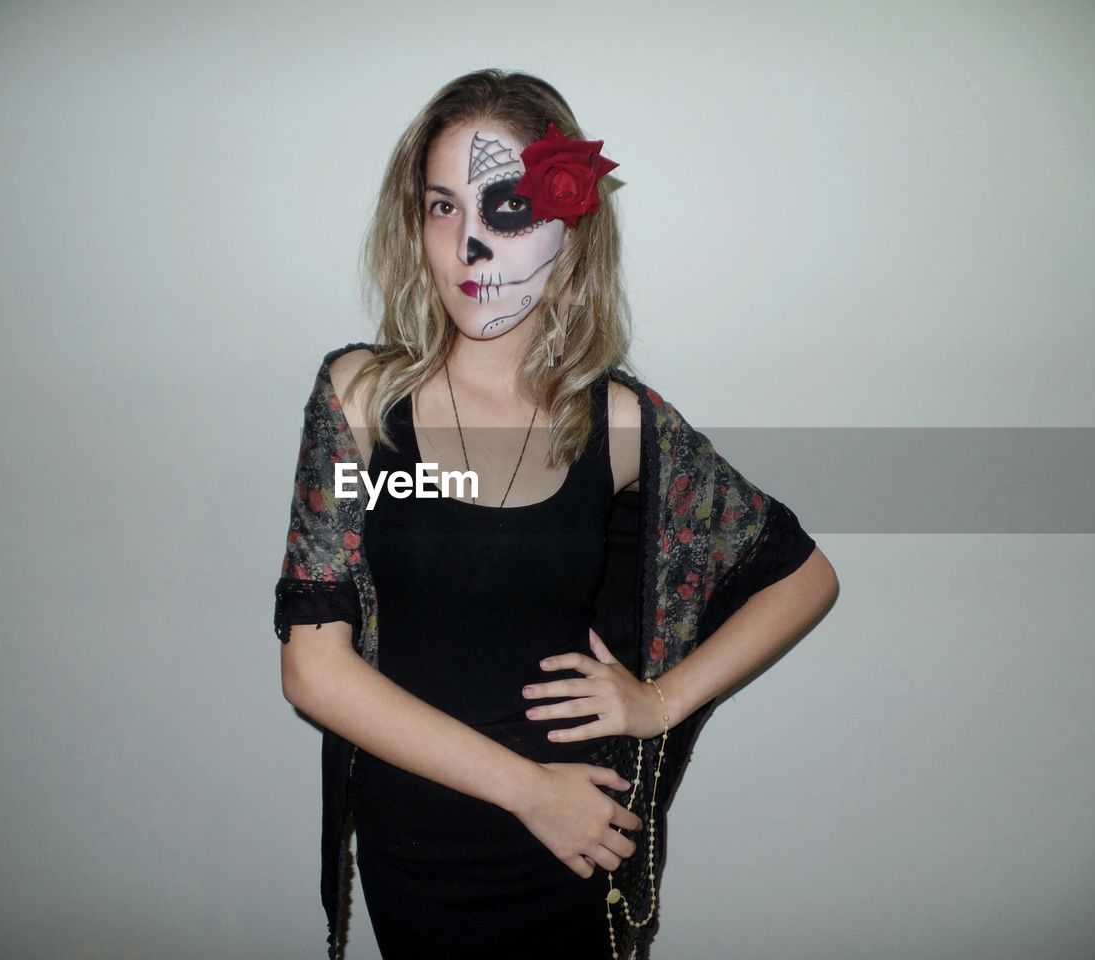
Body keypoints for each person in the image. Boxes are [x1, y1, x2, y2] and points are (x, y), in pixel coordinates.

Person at [276, 69, 839, 960]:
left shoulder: (620, 424)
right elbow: (314, 671)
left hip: (573, 842)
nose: (469, 246)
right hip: (419, 843)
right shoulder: (358, 399)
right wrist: (525, 789)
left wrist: (658, 703)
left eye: (505, 209)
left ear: (567, 230)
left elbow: (803, 577)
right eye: (441, 207)